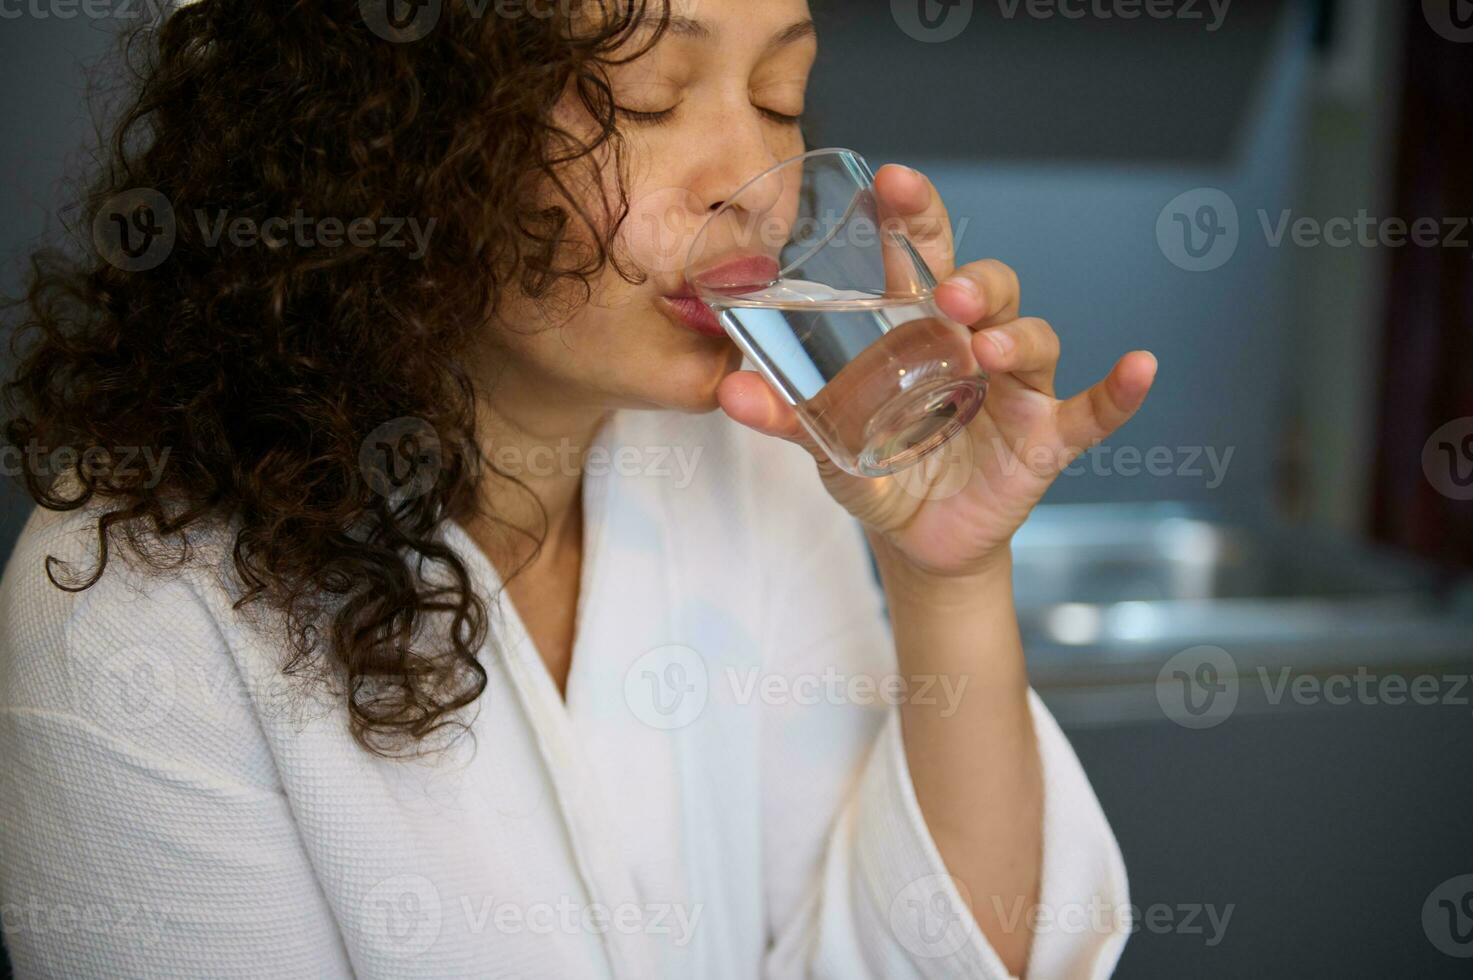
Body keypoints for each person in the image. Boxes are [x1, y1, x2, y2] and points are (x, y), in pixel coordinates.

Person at [0, 1, 1155, 977]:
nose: (750, 188)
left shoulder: (762, 461)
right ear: (397, 131)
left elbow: (921, 957)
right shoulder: (132, 609)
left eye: (781, 95)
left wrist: (945, 574)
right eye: (646, 98)